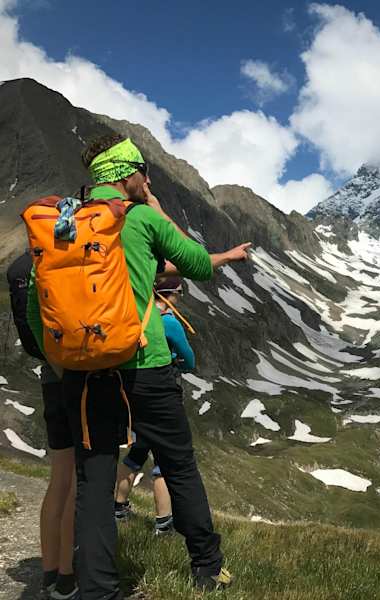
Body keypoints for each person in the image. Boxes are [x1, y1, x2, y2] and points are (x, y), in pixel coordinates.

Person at [26, 134, 250, 599]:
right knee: (179, 465)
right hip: (145, 363)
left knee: (94, 481)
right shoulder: (144, 217)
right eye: (144, 172)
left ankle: (97, 590)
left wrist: (66, 363)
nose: (148, 180)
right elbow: (196, 265)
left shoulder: (64, 224)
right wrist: (155, 205)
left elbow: (36, 306)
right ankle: (207, 568)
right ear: (129, 175)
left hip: (86, 372)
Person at [6, 252, 78, 600]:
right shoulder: (65, 258)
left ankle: (49, 573)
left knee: (59, 478)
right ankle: (68, 578)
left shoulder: (28, 265)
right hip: (79, 375)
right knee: (79, 480)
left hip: (50, 376)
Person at [114, 277, 195, 535]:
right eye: (179, 292)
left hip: (134, 390)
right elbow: (189, 360)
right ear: (168, 294)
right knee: (164, 458)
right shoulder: (170, 323)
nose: (180, 297)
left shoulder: (138, 315)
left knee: (137, 452)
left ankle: (118, 507)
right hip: (162, 391)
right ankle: (163, 523)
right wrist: (177, 363)